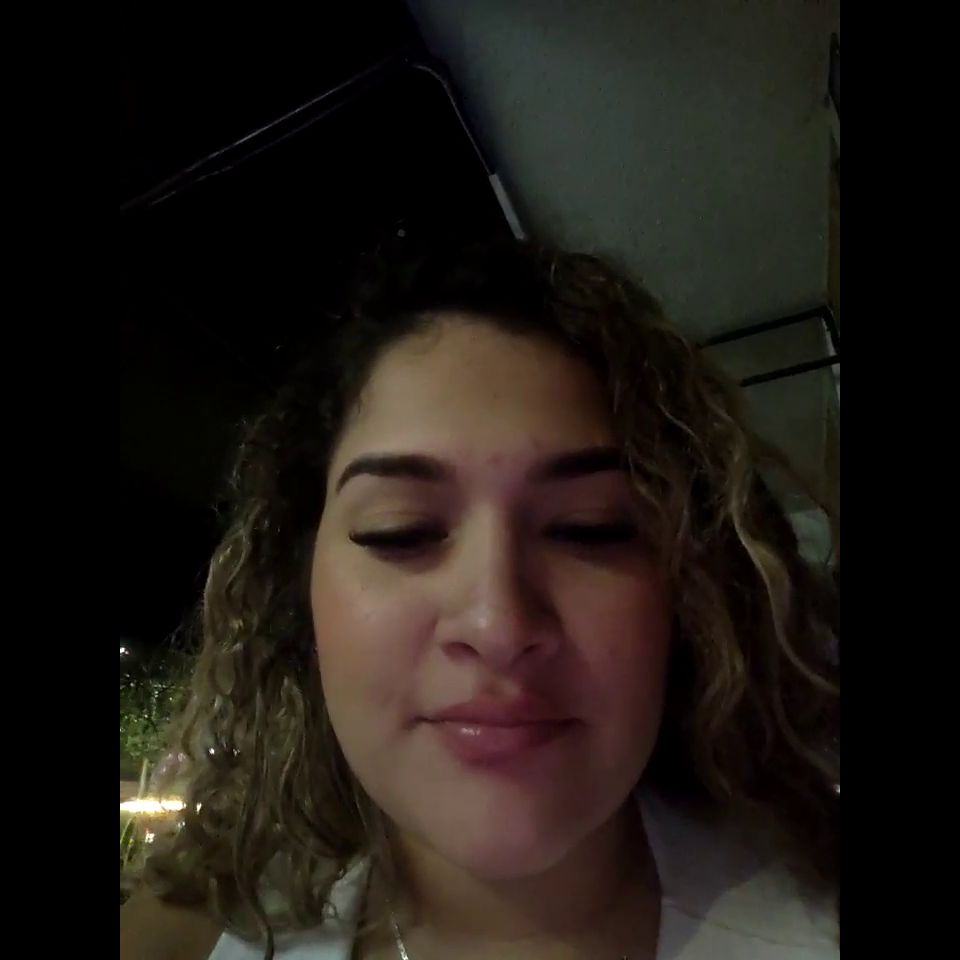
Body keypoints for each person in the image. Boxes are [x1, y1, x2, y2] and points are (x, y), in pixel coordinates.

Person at [120, 239, 840, 960]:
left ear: (690, 595)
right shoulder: (181, 938)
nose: (498, 624)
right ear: (300, 594)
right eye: (401, 530)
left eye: (589, 527)